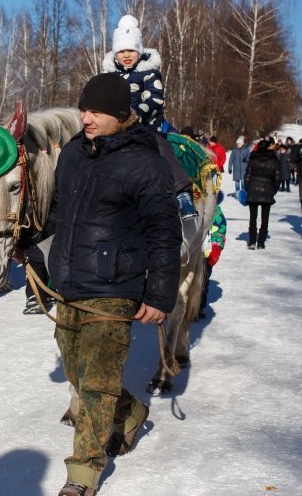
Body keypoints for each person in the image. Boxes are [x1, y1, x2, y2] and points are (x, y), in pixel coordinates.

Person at [46, 72, 181, 496]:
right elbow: (57, 213)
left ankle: (83, 472)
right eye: (83, 108)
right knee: (76, 371)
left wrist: (159, 294)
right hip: (69, 282)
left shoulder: (145, 163)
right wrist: (31, 243)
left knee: (98, 382)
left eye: (96, 111)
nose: (85, 117)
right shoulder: (71, 154)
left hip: (115, 288)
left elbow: (164, 231)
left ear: (121, 114)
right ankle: (132, 410)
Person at [101, 14, 196, 218]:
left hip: (145, 126)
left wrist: (134, 114)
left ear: (139, 51)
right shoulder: (108, 77)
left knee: (160, 148)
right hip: (114, 129)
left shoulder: (149, 73)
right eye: (122, 51)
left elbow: (155, 100)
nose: (126, 55)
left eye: (131, 50)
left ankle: (182, 193)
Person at [243, 139, 280, 250]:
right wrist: (273, 191)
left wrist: (248, 188)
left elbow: (247, 176)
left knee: (252, 218)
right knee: (265, 219)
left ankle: (252, 241)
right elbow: (277, 178)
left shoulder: (253, 158)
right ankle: (261, 242)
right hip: (267, 192)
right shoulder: (274, 160)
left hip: (253, 190)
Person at [199, 201, 226, 319]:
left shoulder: (215, 210)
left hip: (205, 251)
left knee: (202, 281)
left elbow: (219, 228)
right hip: (185, 252)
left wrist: (216, 248)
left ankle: (198, 306)